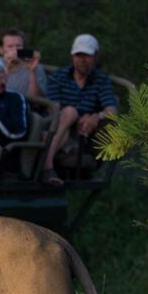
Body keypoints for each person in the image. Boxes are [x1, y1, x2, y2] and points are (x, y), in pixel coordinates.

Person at [41, 34, 118, 186]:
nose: (82, 60)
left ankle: (45, 166)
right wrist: (76, 119)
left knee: (105, 122)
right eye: (78, 55)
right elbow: (52, 109)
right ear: (72, 56)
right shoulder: (59, 77)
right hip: (59, 126)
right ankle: (46, 168)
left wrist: (95, 117)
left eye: (87, 55)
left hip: (83, 135)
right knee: (70, 112)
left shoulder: (101, 80)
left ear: (95, 57)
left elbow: (112, 109)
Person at [0, 29, 47, 99]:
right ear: (1, 50)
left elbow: (37, 100)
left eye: (18, 46)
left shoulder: (36, 67)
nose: (15, 50)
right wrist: (6, 69)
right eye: (10, 46)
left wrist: (32, 73)